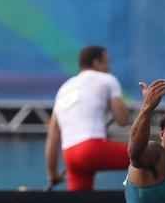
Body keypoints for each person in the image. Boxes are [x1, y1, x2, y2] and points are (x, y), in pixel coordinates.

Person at [45, 45, 131, 191]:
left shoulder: (64, 89)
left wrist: (52, 174)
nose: (109, 68)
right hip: (92, 149)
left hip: (70, 156)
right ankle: (146, 202)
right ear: (96, 63)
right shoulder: (107, 79)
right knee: (153, 157)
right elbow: (122, 120)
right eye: (107, 63)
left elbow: (53, 137)